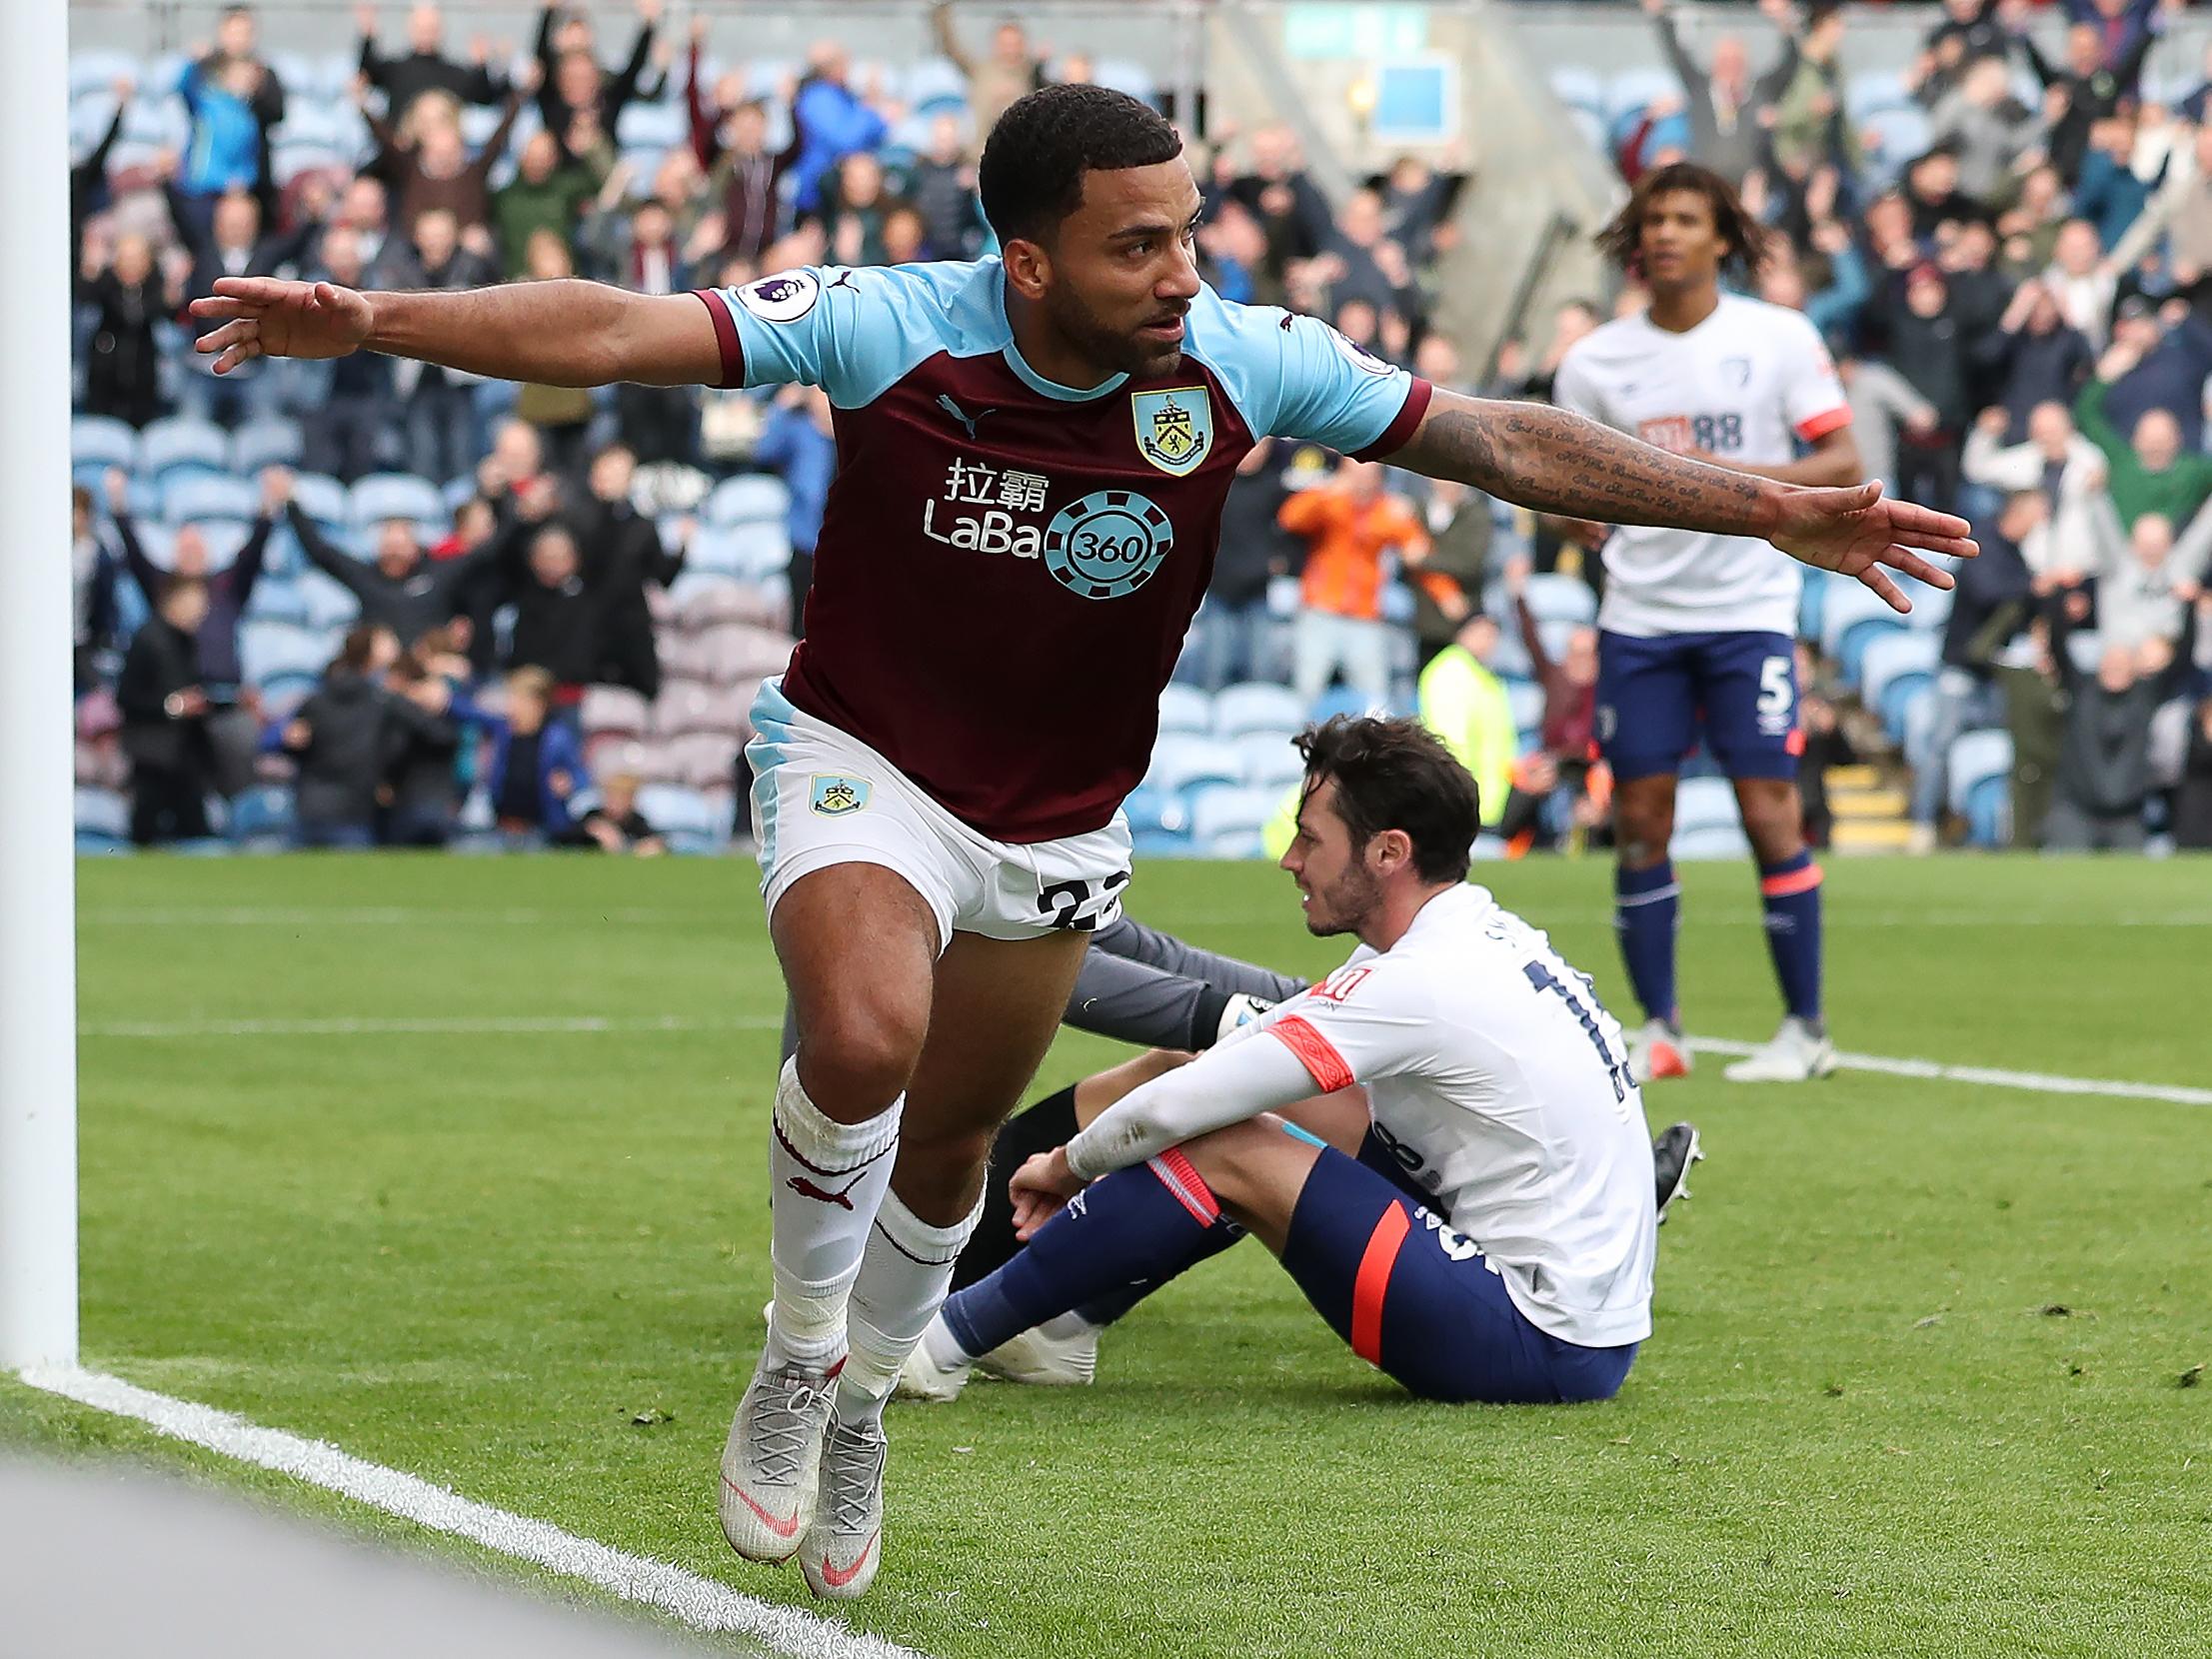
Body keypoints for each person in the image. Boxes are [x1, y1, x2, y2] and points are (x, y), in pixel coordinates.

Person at [189, 83, 1967, 1600]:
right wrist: (376, 317)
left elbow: (1493, 439)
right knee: (863, 1040)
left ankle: (866, 1400)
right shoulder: (891, 324)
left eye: (1187, 233)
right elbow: (611, 331)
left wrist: (1765, 510)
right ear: (1026, 261)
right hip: (862, 758)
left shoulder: (1243, 361)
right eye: (1137, 246)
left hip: (1051, 818)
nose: (1181, 271)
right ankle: (798, 1364)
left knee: (956, 1143)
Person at [907, 717, 1660, 1412]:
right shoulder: (1466, 935)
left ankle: (938, 1347)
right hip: (1561, 1303)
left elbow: (1178, 1108)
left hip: (1544, 1343)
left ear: (1388, 852)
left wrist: (1067, 1166)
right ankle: (1059, 1328)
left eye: (1309, 839)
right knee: (1215, 1081)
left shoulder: (1422, 979)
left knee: (1225, 1136)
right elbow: (1223, 1060)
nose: (1289, 860)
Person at [1553, 161, 1867, 1086]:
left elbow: (1841, 458)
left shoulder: (1777, 337)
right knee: (1639, 820)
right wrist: (1573, 515)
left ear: (1722, 237)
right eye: (1653, 220)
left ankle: (1805, 1030)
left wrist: (1726, 487)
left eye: (1687, 219)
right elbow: (1558, 479)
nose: (1665, 234)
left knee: (1769, 812)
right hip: (1640, 618)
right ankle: (1660, 1032)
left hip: (1748, 613)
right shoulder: (1593, 361)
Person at [1279, 457, 1429, 709]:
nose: (1361, 482)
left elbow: (1417, 551)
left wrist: (1408, 519)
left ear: (1379, 480)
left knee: (1376, 696)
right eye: (1355, 474)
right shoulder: (1330, 500)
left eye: (1368, 475)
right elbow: (1290, 518)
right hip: (1321, 609)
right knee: (1307, 689)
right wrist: (1326, 491)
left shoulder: (1387, 510)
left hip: (1364, 614)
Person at [117, 579, 217, 844]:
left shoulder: (188, 642)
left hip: (184, 751)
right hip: (153, 753)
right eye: (195, 604)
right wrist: (173, 706)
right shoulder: (147, 639)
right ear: (174, 601)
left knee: (195, 832)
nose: (201, 611)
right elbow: (126, 697)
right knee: (145, 831)